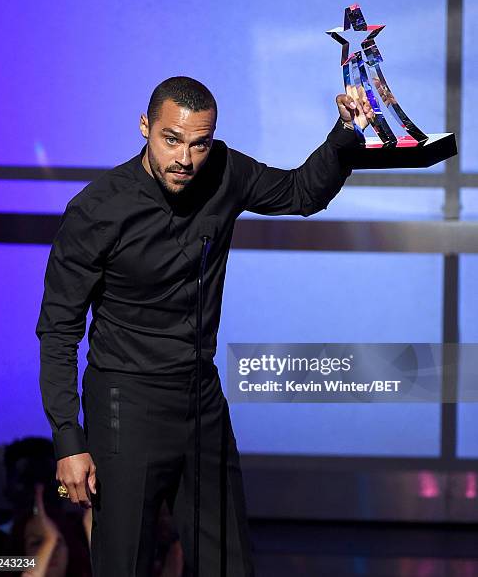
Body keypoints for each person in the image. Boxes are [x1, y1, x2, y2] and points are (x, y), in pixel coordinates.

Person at [35, 75, 372, 576]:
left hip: (200, 396)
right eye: (171, 140)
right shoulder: (96, 210)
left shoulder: (224, 171)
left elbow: (302, 192)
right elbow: (59, 329)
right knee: (123, 562)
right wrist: (69, 439)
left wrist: (345, 132)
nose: (185, 159)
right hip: (125, 399)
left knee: (228, 562)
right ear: (145, 126)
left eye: (199, 143)